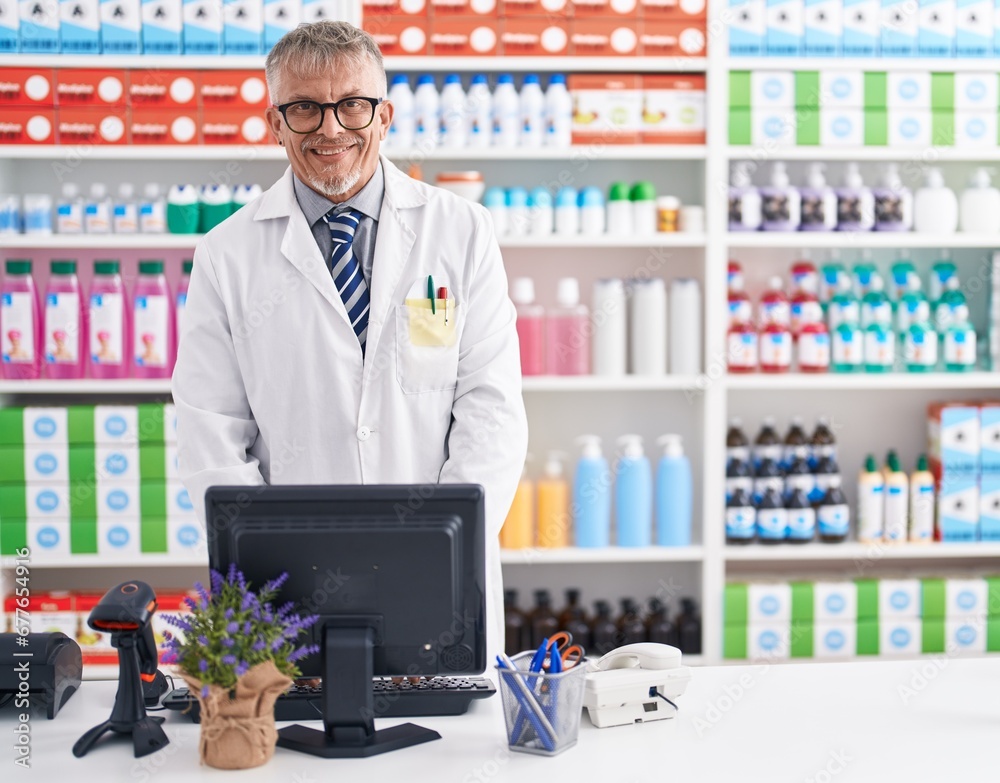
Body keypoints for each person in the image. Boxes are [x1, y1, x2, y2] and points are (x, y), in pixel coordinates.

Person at [171, 21, 528, 664]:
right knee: (300, 755)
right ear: (275, 122)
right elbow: (210, 429)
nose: (330, 129)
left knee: (445, 751)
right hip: (285, 586)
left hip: (443, 571)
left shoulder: (461, 231)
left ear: (383, 115)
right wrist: (267, 564)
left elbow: (492, 410)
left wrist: (438, 543)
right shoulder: (226, 253)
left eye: (351, 105)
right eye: (305, 108)